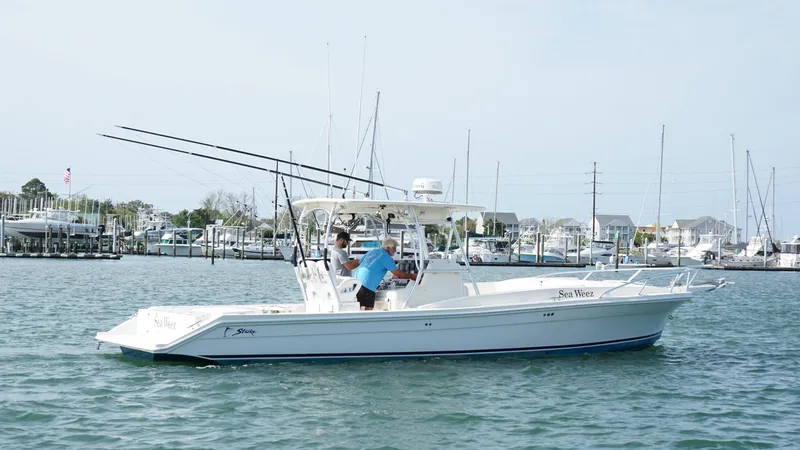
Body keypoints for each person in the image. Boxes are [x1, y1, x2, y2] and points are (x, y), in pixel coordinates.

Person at [354, 237, 417, 310]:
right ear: (387, 248)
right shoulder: (386, 257)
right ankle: (366, 321)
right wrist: (412, 276)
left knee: (357, 307)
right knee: (369, 308)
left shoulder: (372, 251)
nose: (395, 250)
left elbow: (361, 262)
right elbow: (397, 273)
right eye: (394, 248)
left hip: (356, 281)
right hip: (368, 283)